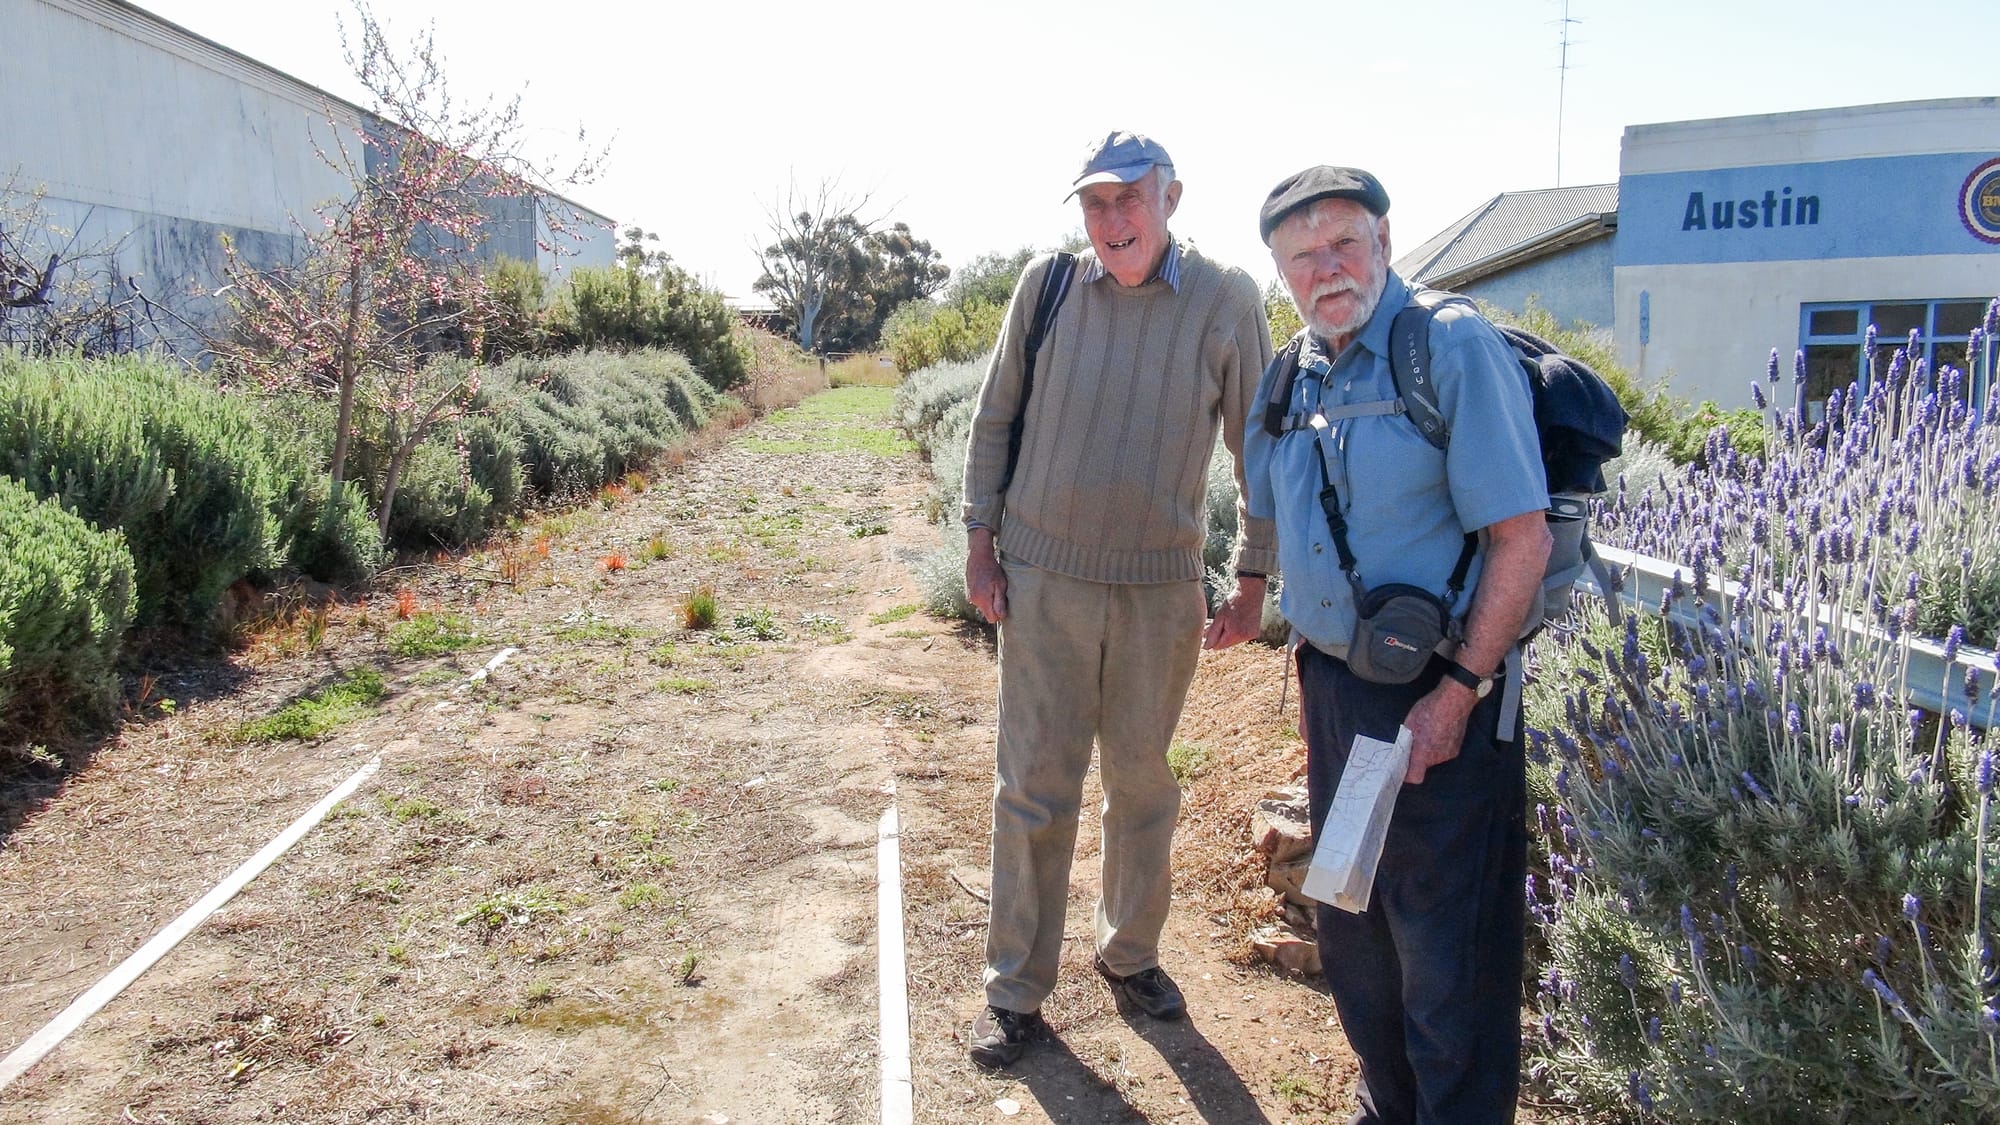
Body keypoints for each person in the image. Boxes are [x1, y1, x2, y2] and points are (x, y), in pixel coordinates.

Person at [959, 131, 1276, 1068]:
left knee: (1142, 787)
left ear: (1171, 198)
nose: (1110, 220)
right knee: (1033, 789)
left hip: (1157, 591)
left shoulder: (1226, 300)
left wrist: (1255, 573)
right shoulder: (1045, 287)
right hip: (1044, 582)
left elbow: (1258, 448)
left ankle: (1129, 953)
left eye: (1128, 199)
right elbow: (994, 417)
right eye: (1094, 204)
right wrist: (980, 543)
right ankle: (1015, 990)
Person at [1243, 167, 1553, 1123]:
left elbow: (1521, 538)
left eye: (1344, 242)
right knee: (1355, 925)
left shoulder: (1448, 346)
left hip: (1444, 699)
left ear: (1383, 237)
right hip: (1340, 697)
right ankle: (1390, 1102)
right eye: (1303, 255)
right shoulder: (1295, 370)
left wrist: (1457, 693)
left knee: (1446, 948)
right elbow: (1265, 503)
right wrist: (1253, 591)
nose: (1327, 268)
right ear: (1284, 273)